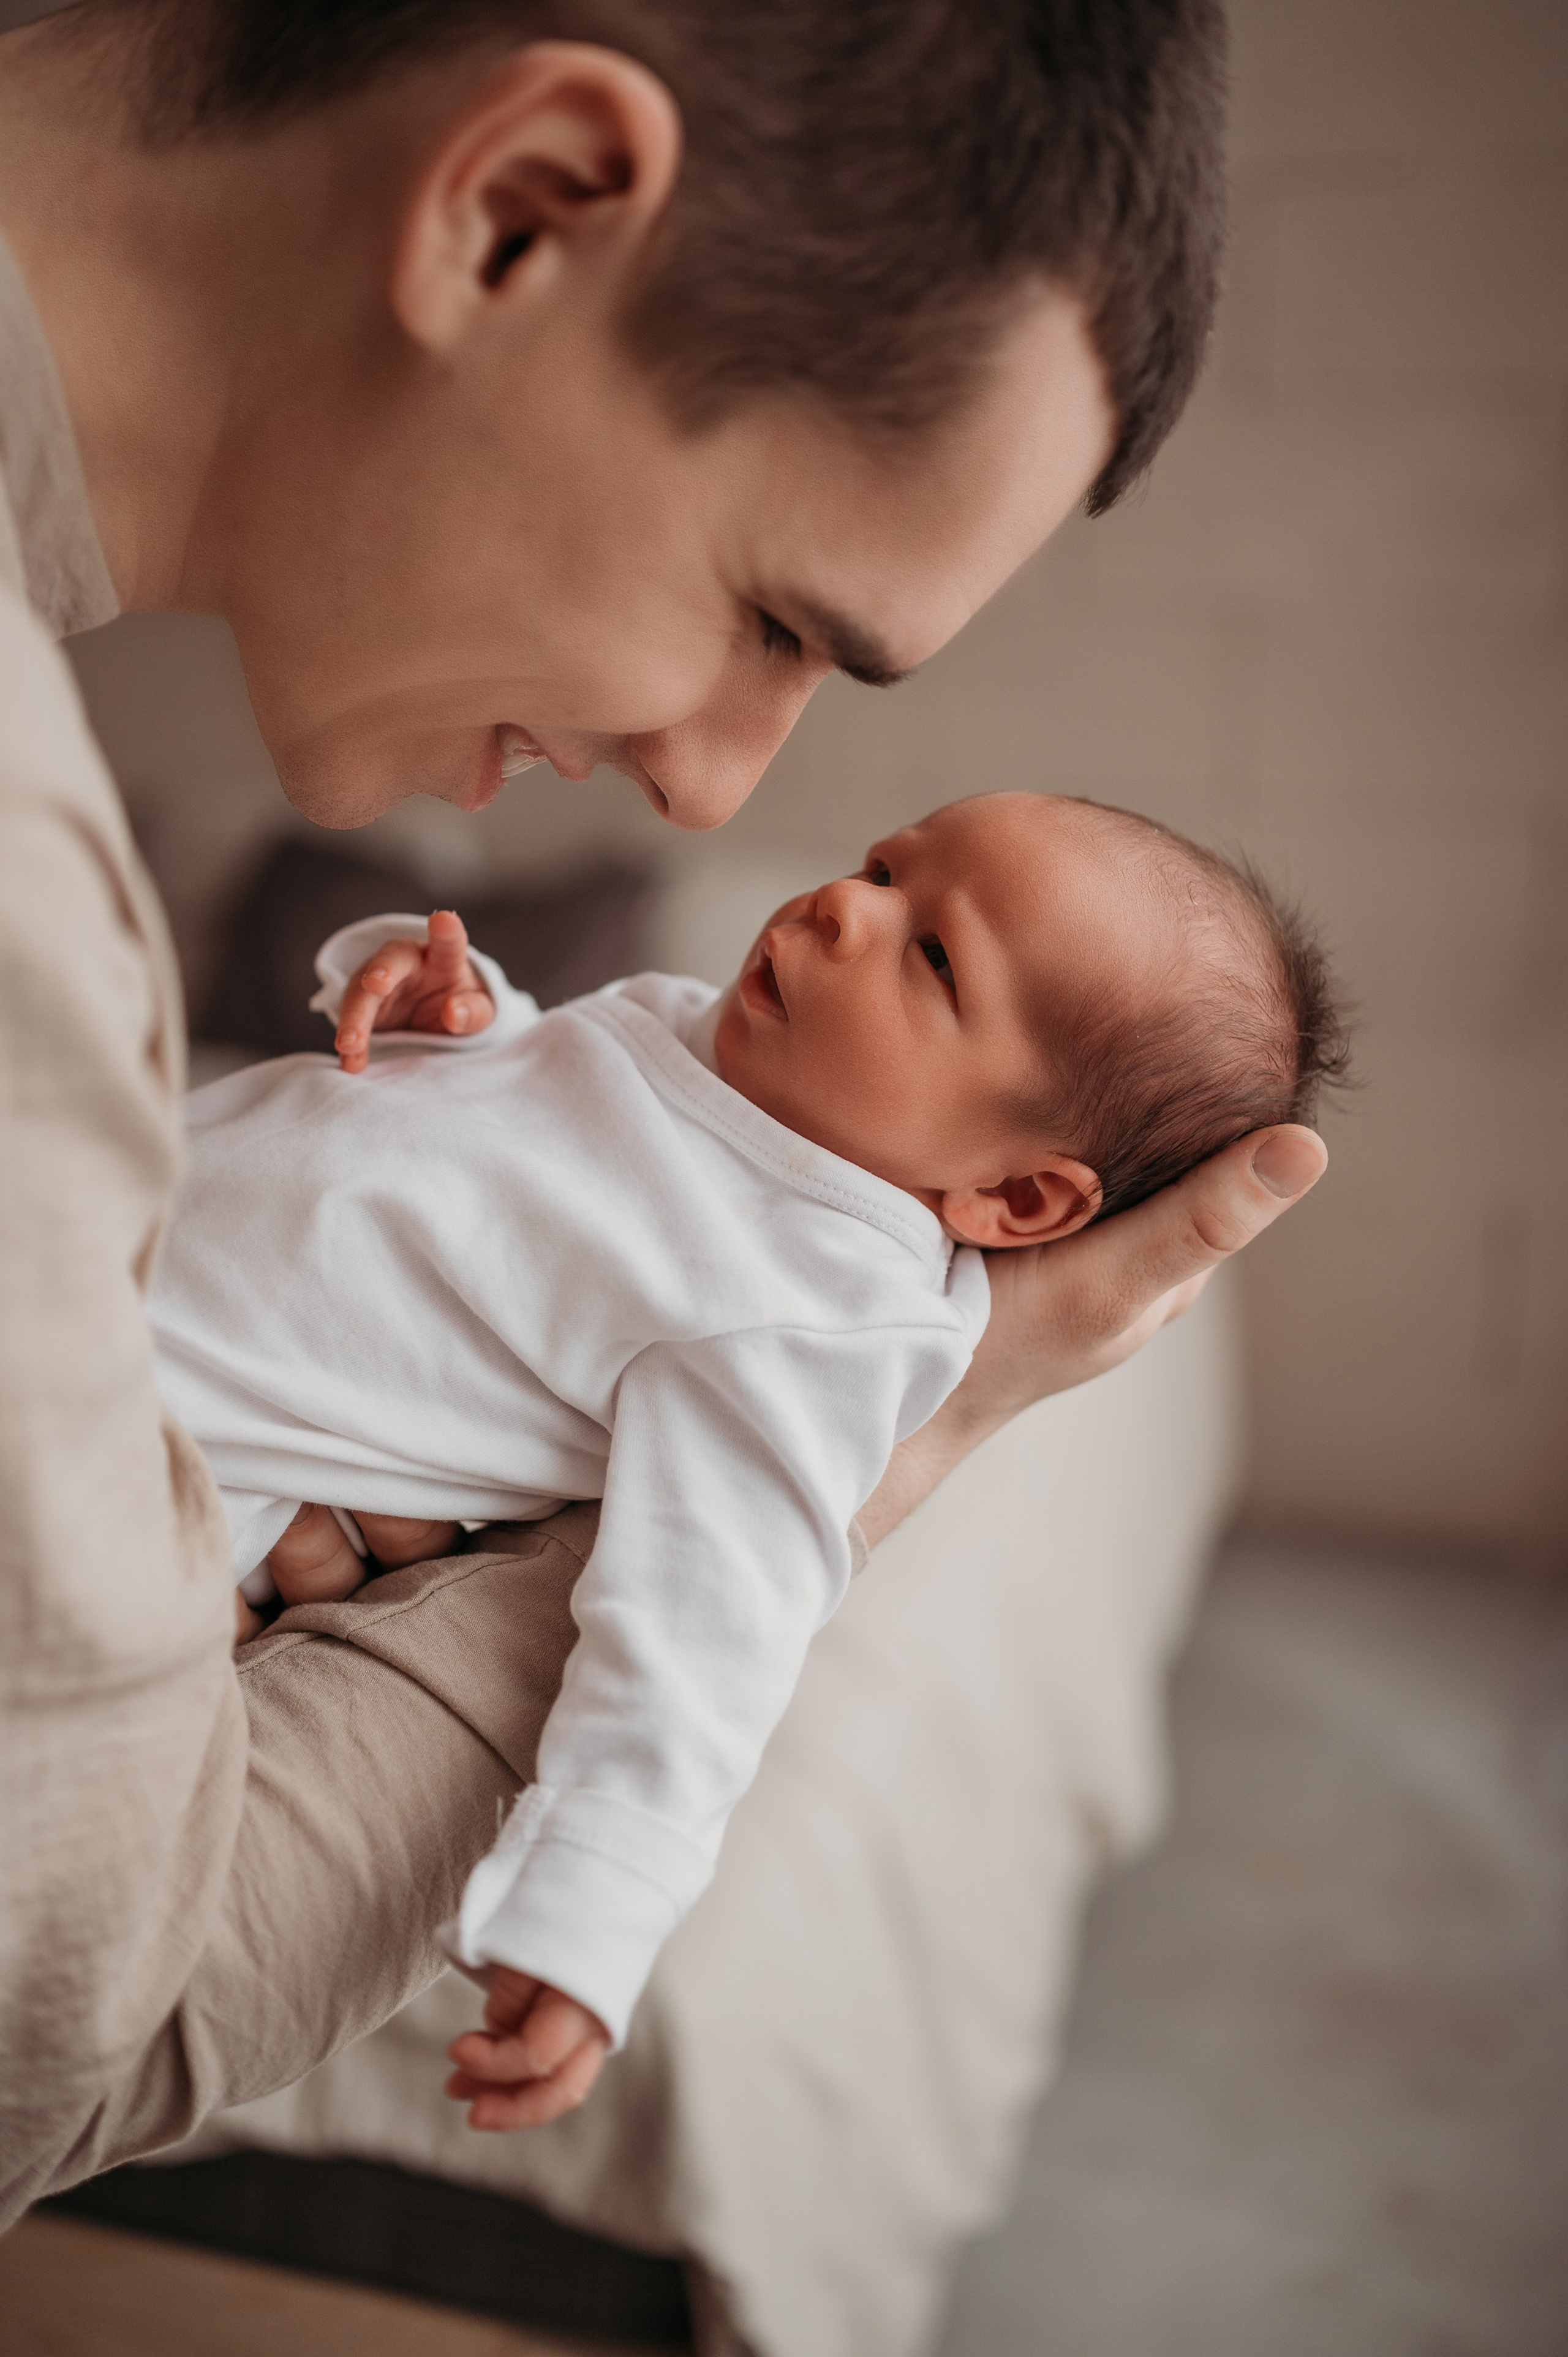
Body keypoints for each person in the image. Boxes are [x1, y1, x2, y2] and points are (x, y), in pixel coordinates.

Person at [0, 0, 1327, 2217]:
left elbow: (698, 1630)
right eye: (774, 616)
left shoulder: (808, 1286)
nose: (728, 790)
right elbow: (57, 2016)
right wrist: (943, 1432)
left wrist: (592, 1895)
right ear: (525, 213)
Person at [147, 790, 1349, 2127]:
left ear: (1015, 1199)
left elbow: (708, 1626)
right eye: (883, 864)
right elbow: (536, 1128)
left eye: (935, 956)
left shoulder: (816, 1312)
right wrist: (458, 1005)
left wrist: (597, 1902)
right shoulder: (704, 1039)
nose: (848, 906)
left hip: (160, 1456)